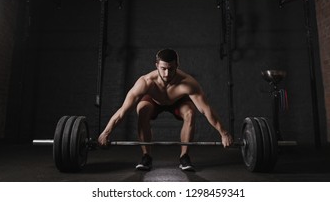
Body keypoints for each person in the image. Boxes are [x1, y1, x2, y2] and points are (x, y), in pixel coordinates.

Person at [98, 48, 233, 171]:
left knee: (191, 113)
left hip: (178, 102)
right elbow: (123, 111)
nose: (167, 73)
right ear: (156, 65)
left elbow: (206, 109)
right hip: (154, 101)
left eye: (171, 69)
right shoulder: (146, 82)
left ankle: (184, 157)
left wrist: (224, 133)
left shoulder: (188, 83)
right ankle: (146, 157)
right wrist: (106, 133)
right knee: (142, 110)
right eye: (163, 68)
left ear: (177, 66)